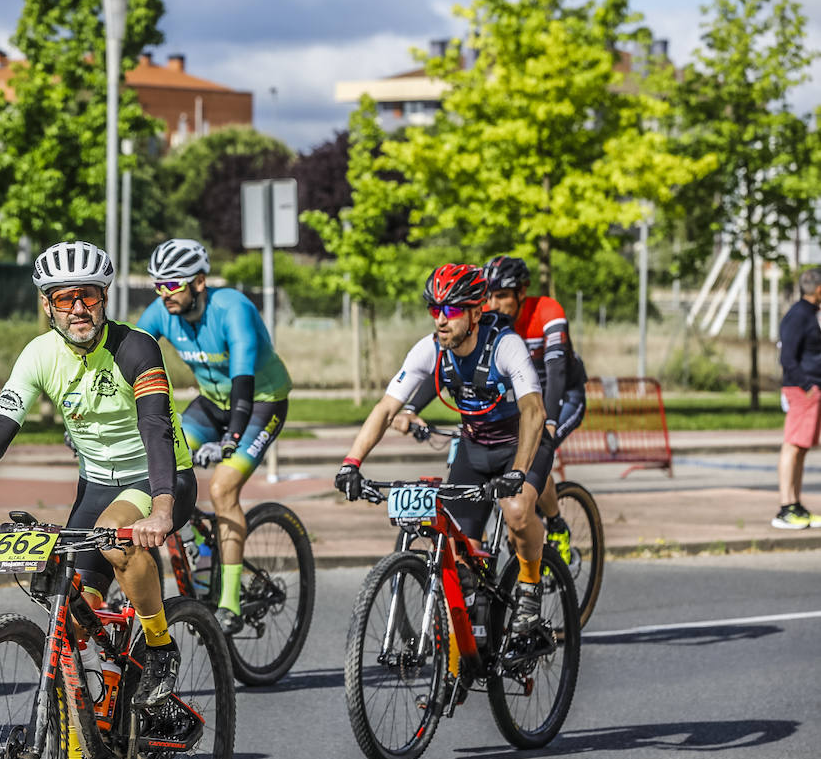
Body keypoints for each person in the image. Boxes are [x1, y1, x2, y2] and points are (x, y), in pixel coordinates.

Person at [0, 240, 195, 759]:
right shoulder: (39, 354)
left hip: (158, 476)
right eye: (64, 298)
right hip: (95, 483)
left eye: (88, 295)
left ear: (104, 297)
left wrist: (162, 510)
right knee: (71, 616)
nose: (78, 307)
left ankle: (161, 648)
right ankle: (79, 758)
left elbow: (155, 428)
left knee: (121, 540)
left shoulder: (136, 347)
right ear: (47, 305)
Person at [336, 263, 553, 636]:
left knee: (517, 512)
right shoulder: (429, 349)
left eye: (450, 311)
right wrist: (351, 463)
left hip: (521, 446)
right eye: (434, 310)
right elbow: (386, 408)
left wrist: (517, 472)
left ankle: (531, 590)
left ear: (475, 311)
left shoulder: (506, 346)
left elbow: (534, 411)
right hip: (475, 447)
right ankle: (472, 633)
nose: (440, 320)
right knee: (460, 548)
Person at [137, 238, 292, 636]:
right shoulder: (162, 311)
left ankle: (229, 604)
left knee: (223, 487)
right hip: (210, 404)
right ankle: (204, 544)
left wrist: (231, 440)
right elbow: (127, 361)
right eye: (157, 285)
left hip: (259, 402)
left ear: (200, 282)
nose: (163, 293)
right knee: (154, 465)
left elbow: (243, 379)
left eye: (172, 284)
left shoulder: (234, 309)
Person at [392, 255, 586, 564]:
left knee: (538, 447)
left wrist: (546, 422)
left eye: (502, 295)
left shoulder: (547, 311)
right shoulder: (482, 323)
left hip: (559, 396)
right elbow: (446, 364)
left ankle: (555, 521)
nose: (494, 303)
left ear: (522, 293)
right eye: (489, 295)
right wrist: (412, 407)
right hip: (515, 398)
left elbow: (558, 371)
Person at [774, 265, 821, 529]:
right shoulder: (798, 315)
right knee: (792, 445)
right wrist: (807, 387)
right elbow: (787, 357)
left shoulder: (812, 314)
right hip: (802, 390)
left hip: (811, 390)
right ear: (818, 288)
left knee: (801, 449)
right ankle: (785, 507)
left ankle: (796, 504)